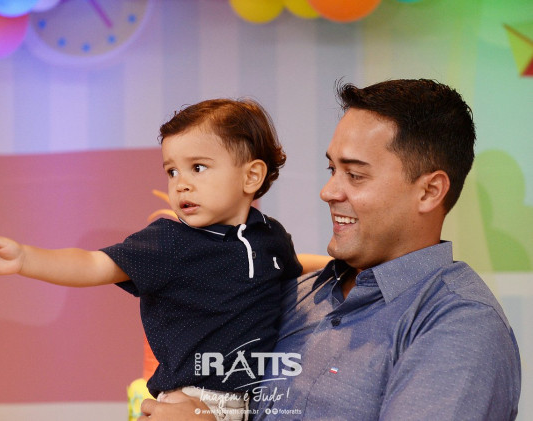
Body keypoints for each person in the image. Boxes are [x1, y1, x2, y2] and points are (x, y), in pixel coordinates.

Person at [137, 79, 522, 420]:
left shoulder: (460, 325)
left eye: (354, 174)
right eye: (331, 170)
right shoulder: (296, 293)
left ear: (429, 191)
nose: (328, 191)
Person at [0, 98, 330, 421]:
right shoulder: (170, 242)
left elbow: (290, 268)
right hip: (192, 399)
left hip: (258, 400)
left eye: (198, 167)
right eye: (172, 171)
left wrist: (340, 265)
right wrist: (25, 259)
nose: (181, 182)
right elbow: (92, 264)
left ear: (251, 176)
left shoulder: (269, 237)